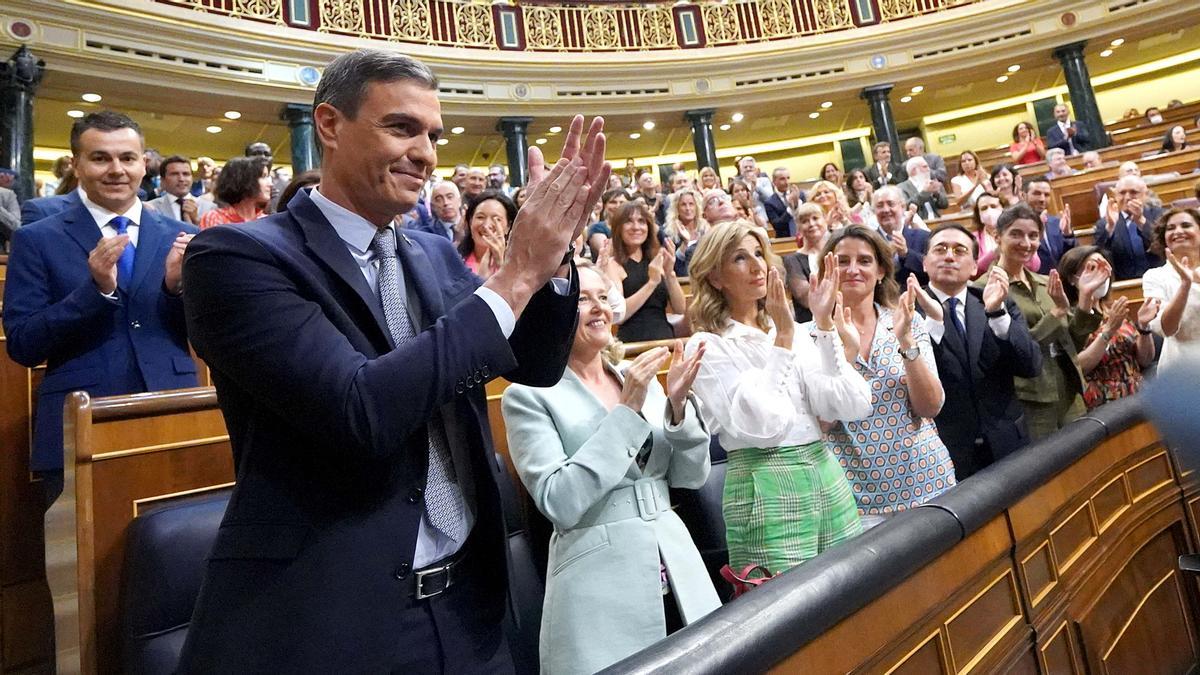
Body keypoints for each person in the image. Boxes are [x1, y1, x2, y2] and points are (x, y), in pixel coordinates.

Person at [178, 50, 608, 672]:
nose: (427, 154)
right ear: (329, 124)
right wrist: (515, 274)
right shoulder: (236, 257)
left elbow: (534, 363)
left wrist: (554, 257)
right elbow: (361, 412)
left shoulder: (431, 253)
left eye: (432, 135)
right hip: (333, 619)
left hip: (471, 606)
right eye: (401, 128)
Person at [501, 264, 719, 675]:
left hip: (677, 567)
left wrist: (676, 409)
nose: (598, 308)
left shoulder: (636, 377)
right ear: (550, 311)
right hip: (599, 587)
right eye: (582, 299)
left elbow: (690, 478)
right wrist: (626, 412)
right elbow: (559, 501)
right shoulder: (527, 397)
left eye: (603, 296)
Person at [3, 110, 198, 506]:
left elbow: (211, 336)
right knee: (82, 561)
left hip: (174, 412)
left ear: (145, 164)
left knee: (181, 551)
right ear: (76, 165)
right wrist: (94, 291)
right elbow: (23, 344)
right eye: (100, 158)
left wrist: (176, 289)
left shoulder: (185, 237)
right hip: (81, 421)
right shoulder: (37, 239)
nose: (116, 170)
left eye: (127, 158)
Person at [684, 220, 872, 572]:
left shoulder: (793, 329)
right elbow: (762, 425)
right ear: (715, 277)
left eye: (760, 253)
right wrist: (783, 338)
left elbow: (848, 404)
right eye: (740, 258)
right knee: (787, 608)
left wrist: (824, 323)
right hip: (763, 480)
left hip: (824, 468)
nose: (757, 266)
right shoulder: (708, 345)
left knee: (852, 587)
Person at [817, 226, 954, 526]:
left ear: (880, 271)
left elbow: (930, 407)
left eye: (865, 261)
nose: (853, 269)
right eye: (842, 261)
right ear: (828, 270)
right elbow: (821, 423)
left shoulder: (906, 320)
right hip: (856, 501)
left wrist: (906, 341)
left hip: (928, 484)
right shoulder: (812, 336)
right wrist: (847, 353)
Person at [919, 224, 1041, 479]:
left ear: (975, 267)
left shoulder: (996, 300)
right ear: (925, 263)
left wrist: (997, 315)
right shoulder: (908, 312)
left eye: (959, 250)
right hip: (947, 451)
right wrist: (932, 325)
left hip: (1007, 444)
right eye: (940, 249)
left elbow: (1031, 366)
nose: (950, 256)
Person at [978, 204, 1104, 440]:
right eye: (1016, 234)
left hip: (1068, 388)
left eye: (1033, 236)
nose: (1026, 243)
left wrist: (1085, 299)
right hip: (1030, 399)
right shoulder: (985, 290)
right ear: (997, 237)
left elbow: (1072, 343)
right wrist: (1057, 313)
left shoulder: (1046, 282)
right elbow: (1019, 349)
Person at [1057, 247, 1158, 410]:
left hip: (1138, 398)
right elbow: (1078, 367)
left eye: (1104, 269)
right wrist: (1108, 331)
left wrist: (1144, 328)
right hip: (1103, 406)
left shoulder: (1113, 311)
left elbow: (1144, 360)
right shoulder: (1068, 317)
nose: (1100, 276)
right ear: (1072, 278)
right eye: (1092, 268)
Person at [606, 201, 686, 342]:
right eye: (629, 222)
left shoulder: (657, 259)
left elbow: (680, 309)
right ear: (618, 228)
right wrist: (652, 283)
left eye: (641, 221)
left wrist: (670, 274)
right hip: (633, 345)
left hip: (666, 340)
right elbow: (620, 316)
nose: (636, 227)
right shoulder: (613, 265)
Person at [1143, 207, 1200, 371]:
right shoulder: (1154, 276)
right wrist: (1185, 286)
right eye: (1170, 228)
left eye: (1186, 225)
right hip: (1180, 369)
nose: (1178, 231)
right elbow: (1167, 329)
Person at [1093, 174, 1164, 280]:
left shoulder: (1159, 216)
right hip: (1123, 283)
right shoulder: (1104, 224)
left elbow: (1163, 246)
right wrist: (1110, 228)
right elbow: (1099, 256)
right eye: (1122, 193)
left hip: (1160, 278)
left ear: (1144, 194)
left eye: (1133, 192)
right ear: (1116, 196)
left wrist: (1141, 221)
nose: (1127, 197)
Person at [973, 192, 1040, 277]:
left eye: (993, 206)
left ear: (1003, 208)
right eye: (984, 208)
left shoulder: (1022, 230)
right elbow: (973, 269)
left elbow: (1034, 265)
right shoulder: (973, 238)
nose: (989, 211)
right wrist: (997, 251)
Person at [873, 185, 930, 286]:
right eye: (880, 206)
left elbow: (932, 271)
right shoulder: (869, 241)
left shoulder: (923, 237)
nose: (886, 210)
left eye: (891, 204)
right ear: (874, 211)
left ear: (903, 207)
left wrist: (906, 253)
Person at [784, 203, 829, 323]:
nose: (812, 224)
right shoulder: (792, 260)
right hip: (810, 326)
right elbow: (806, 298)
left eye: (815, 218)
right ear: (798, 228)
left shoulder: (838, 252)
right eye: (805, 221)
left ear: (825, 220)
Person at [456, 189, 516, 280]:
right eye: (480, 217)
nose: (486, 226)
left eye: (497, 219)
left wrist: (501, 267)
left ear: (508, 226)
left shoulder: (520, 264)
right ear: (470, 222)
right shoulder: (454, 259)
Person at [197, 155, 271, 229]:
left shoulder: (267, 222)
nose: (270, 184)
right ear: (244, 181)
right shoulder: (214, 218)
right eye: (263, 176)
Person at [145, 155, 216, 226]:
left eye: (186, 174)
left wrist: (197, 221)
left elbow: (214, 236)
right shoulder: (150, 208)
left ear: (192, 178)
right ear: (162, 180)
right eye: (174, 174)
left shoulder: (210, 208)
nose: (181, 179)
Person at [1024, 177, 1076, 274]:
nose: (1042, 199)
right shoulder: (1017, 225)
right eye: (1037, 193)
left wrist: (1067, 235)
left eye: (1046, 195)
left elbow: (1073, 257)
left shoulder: (1056, 222)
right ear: (1024, 196)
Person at [663, 186, 708, 276]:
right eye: (683, 205)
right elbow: (672, 266)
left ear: (696, 207)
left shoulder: (706, 228)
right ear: (677, 208)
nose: (688, 208)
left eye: (691, 204)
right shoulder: (667, 233)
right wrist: (685, 243)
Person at [410, 180, 463, 244]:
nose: (445, 203)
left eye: (450, 197)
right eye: (438, 200)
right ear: (432, 206)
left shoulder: (471, 227)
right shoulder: (427, 233)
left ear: (460, 201)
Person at [898, 156, 949, 220]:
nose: (929, 169)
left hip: (936, 220)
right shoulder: (901, 188)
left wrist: (937, 194)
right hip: (919, 224)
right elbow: (905, 207)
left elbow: (945, 205)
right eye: (925, 167)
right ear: (913, 170)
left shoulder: (931, 183)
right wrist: (924, 193)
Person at [762, 167, 796, 237]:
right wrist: (790, 208)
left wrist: (798, 204)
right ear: (774, 182)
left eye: (788, 178)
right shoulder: (769, 202)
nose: (787, 182)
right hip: (784, 240)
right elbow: (777, 225)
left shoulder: (799, 195)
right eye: (782, 179)